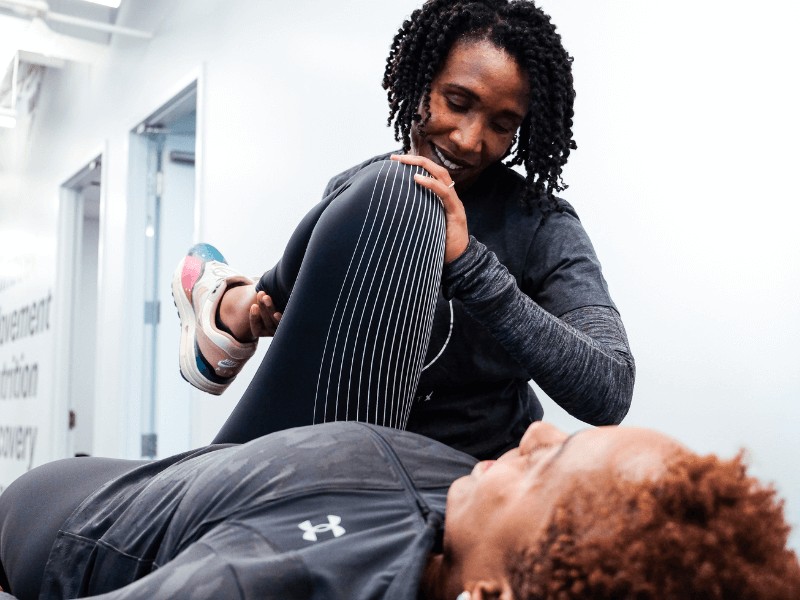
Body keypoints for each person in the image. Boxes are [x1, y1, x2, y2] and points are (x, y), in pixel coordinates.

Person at [173, 0, 636, 460]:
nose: (468, 140)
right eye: (457, 102)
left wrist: (473, 268)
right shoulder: (358, 188)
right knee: (387, 187)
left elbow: (609, 391)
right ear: (419, 82)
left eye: (502, 125)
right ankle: (240, 307)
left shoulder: (542, 225)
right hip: (359, 463)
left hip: (478, 482)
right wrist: (285, 319)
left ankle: (227, 305)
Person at [1, 420, 798, 599]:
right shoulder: (482, 509)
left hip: (56, 515)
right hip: (223, 469)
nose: (534, 430)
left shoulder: (254, 583)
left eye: (547, 463)